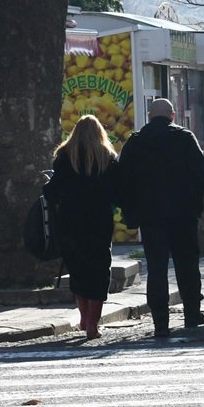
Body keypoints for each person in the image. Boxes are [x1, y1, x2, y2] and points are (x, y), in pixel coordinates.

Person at [117, 98, 204, 337]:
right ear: (172, 116)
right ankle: (192, 314)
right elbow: (201, 171)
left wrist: (129, 212)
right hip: (183, 214)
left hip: (151, 216)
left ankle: (160, 323)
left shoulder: (136, 142)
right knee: (187, 265)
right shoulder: (184, 138)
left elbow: (123, 181)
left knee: (156, 268)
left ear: (150, 117)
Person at [44, 115, 119, 339]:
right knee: (99, 271)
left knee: (78, 271)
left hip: (70, 222)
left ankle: (84, 319)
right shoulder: (107, 158)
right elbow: (116, 191)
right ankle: (93, 324)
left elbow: (52, 192)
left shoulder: (64, 157)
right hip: (99, 222)